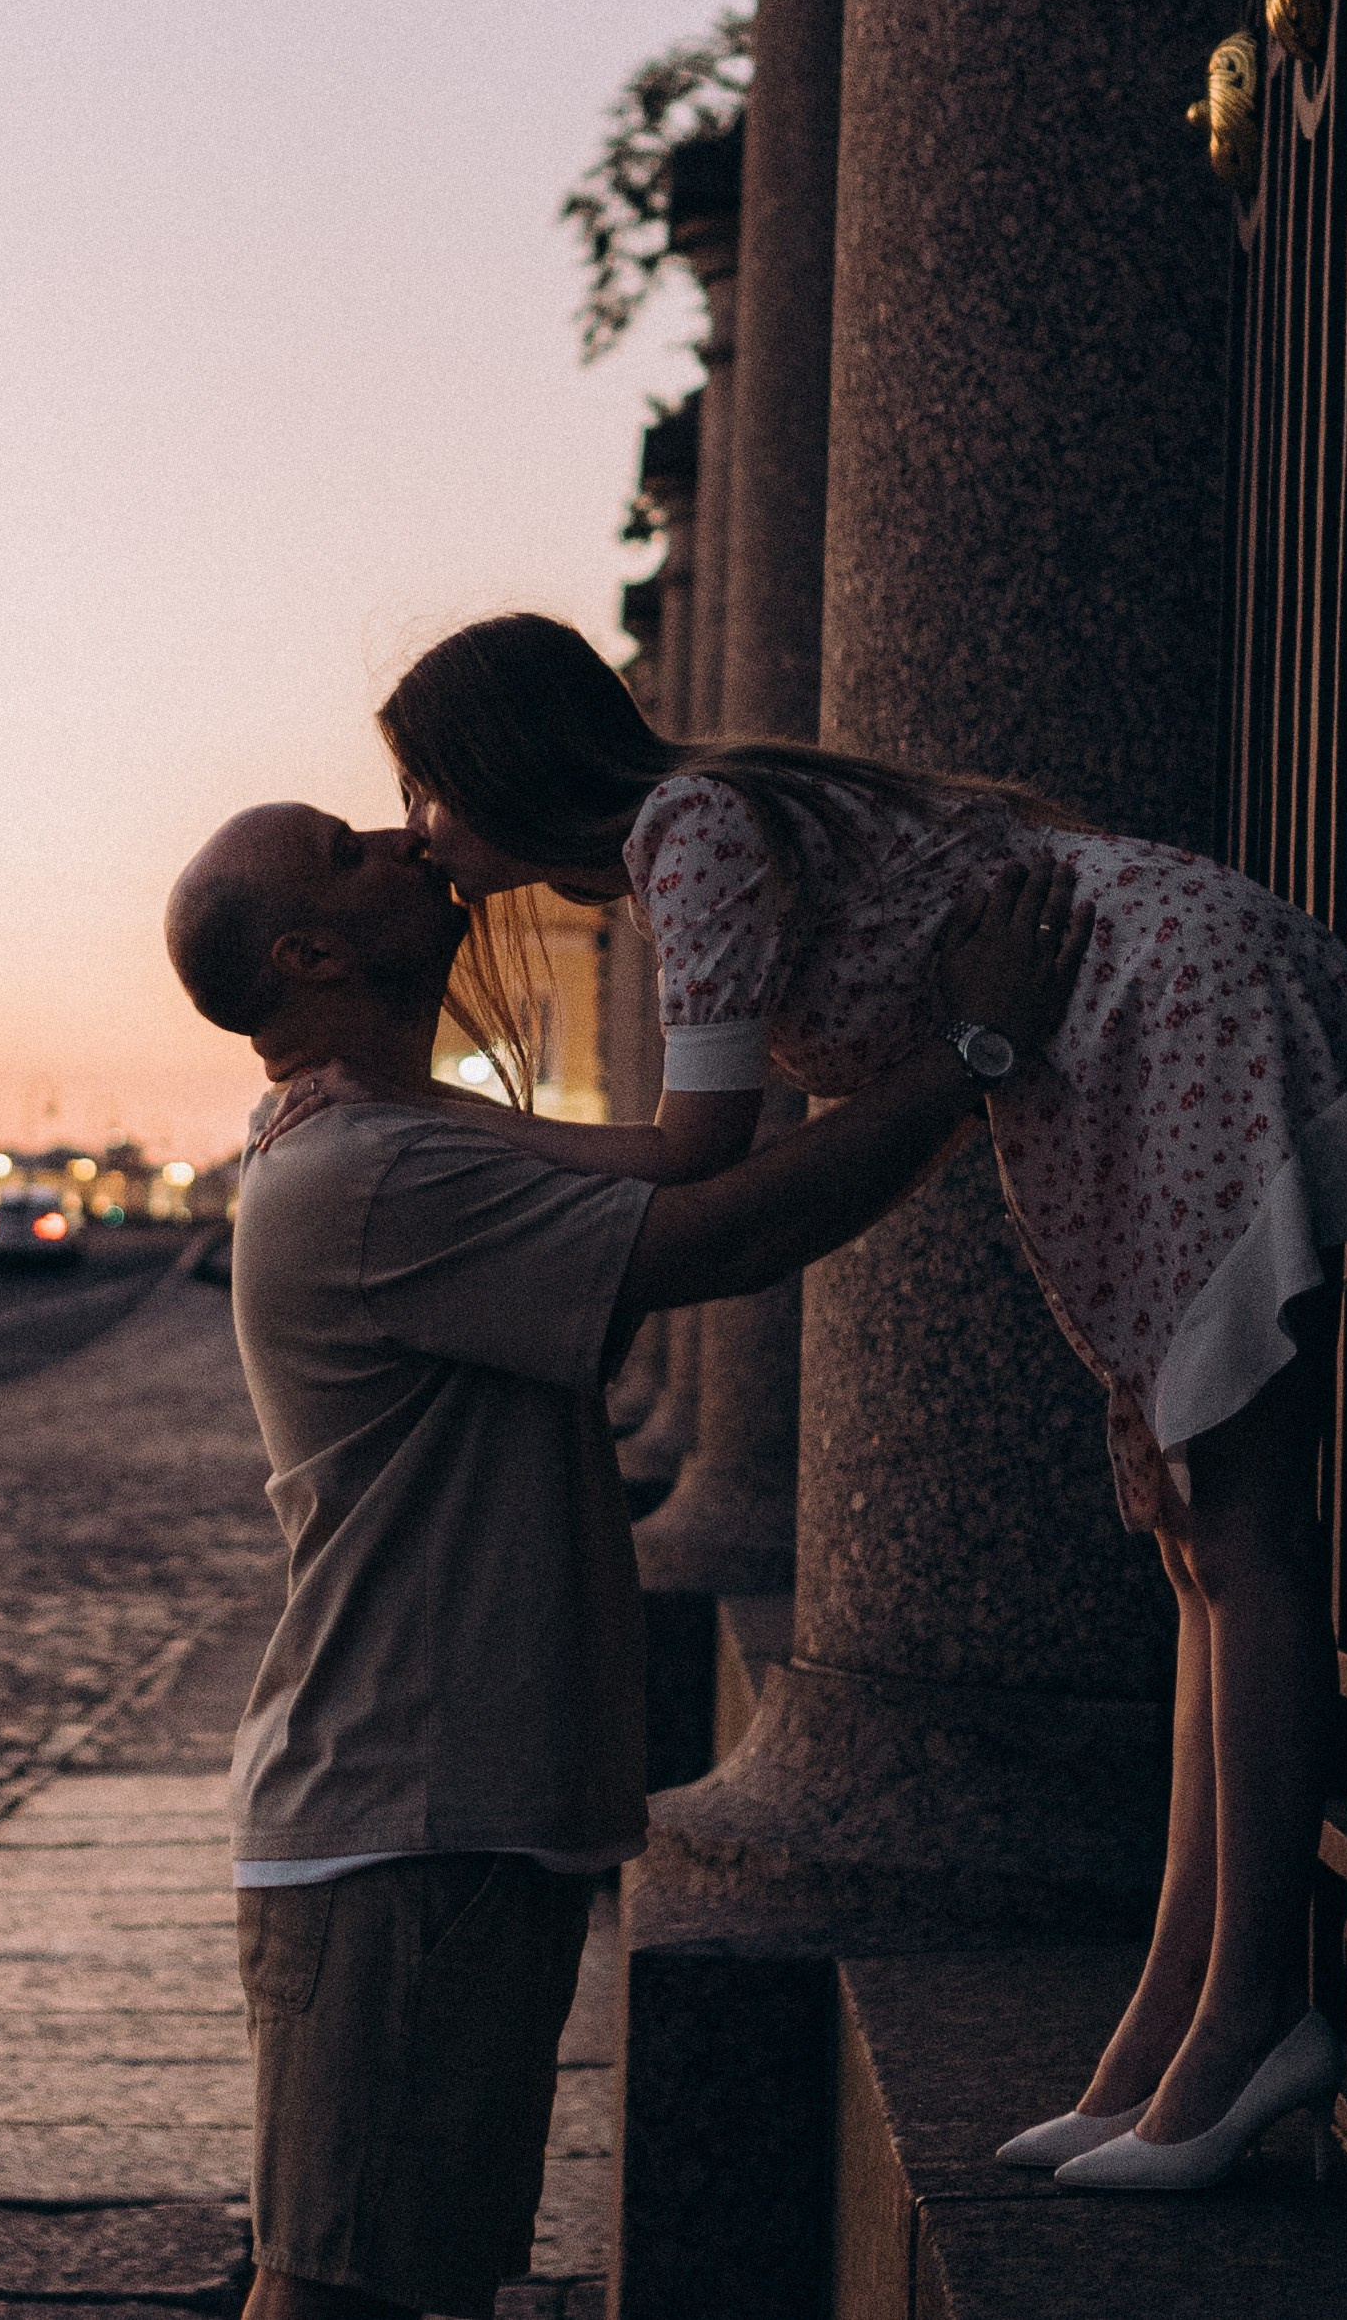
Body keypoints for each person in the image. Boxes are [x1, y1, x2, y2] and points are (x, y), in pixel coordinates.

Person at [359, 610, 1347, 2193]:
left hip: (1166, 1021)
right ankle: (1173, 2027)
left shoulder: (691, 830)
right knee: (1203, 1552)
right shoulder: (695, 833)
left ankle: (1253, 2014)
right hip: (1126, 1042)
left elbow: (698, 1155)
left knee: (1248, 1541)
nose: (415, 828)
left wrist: (425, 1132)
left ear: (500, 758)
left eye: (423, 787)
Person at [164, 798, 1087, 2320]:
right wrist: (965, 1059)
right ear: (311, 953)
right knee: (340, 2298)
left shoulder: (391, 1139)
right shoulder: (376, 1172)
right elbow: (715, 1242)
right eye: (344, 852)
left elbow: (673, 1169)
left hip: (441, 1813)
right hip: (408, 1821)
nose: (399, 842)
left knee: (404, 2285)